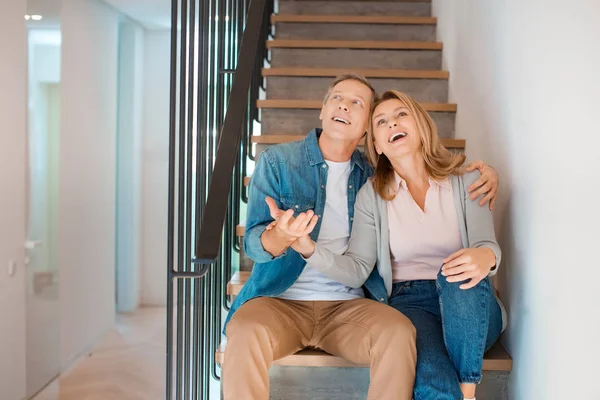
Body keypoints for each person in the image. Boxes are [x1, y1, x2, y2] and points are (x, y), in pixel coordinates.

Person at [222, 74, 499, 400]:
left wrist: (486, 186)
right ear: (323, 111)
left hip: (351, 307)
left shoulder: (373, 177)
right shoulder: (282, 163)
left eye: (357, 103)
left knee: (401, 330)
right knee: (244, 328)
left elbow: (480, 239)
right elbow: (254, 244)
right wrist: (283, 239)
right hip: (282, 301)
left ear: (367, 130)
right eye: (337, 98)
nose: (344, 104)